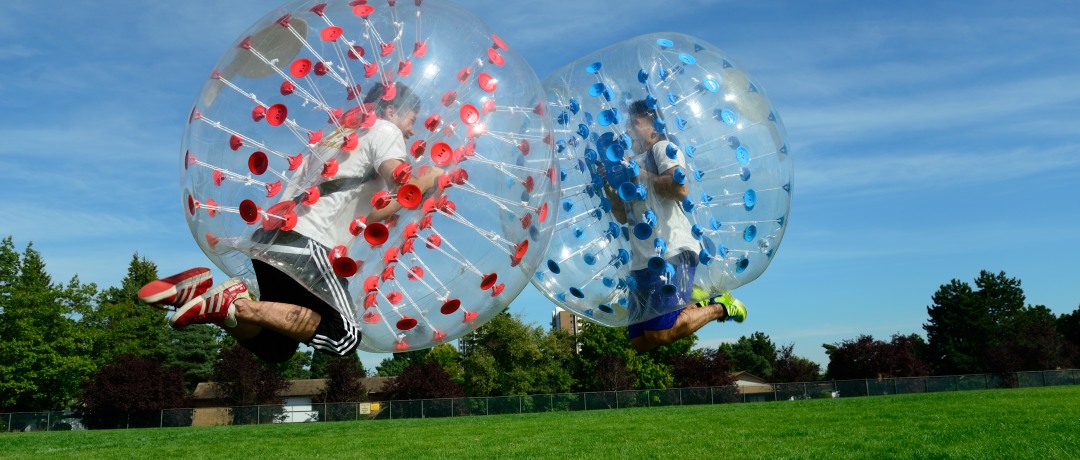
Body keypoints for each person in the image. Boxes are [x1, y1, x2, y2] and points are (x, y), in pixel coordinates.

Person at [139, 82, 440, 363]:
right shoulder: (386, 130)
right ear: (391, 110)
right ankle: (238, 303)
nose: (413, 131)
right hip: (308, 244)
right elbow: (404, 188)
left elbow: (367, 211)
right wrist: (429, 179)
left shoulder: (338, 136)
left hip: (273, 237)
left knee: (277, 347)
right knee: (344, 336)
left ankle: (215, 305)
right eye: (412, 121)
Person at [602, 100, 747, 353]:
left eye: (634, 123)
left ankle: (721, 305)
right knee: (640, 341)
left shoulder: (661, 148)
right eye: (627, 123)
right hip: (640, 261)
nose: (626, 129)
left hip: (671, 252)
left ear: (653, 130)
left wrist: (638, 174)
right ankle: (692, 298)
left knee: (661, 332)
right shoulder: (629, 164)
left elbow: (680, 188)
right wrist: (611, 185)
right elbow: (622, 217)